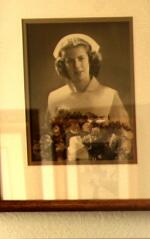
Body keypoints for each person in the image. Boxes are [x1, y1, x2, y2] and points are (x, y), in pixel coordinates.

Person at [42, 33, 132, 163]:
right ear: (63, 65)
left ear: (90, 59)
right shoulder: (54, 98)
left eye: (81, 58)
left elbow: (125, 139)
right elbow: (49, 140)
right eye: (69, 61)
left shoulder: (110, 95)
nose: (77, 66)